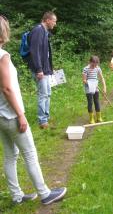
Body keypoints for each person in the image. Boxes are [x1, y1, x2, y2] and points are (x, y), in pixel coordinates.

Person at [0, 15, 66, 205]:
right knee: (29, 153)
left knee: (10, 156)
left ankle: (17, 196)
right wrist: (20, 114)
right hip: (10, 114)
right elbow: (6, 88)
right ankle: (45, 194)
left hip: (1, 115)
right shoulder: (2, 56)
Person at [27, 11, 57, 129]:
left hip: (46, 69)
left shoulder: (45, 32)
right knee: (43, 95)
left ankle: (46, 117)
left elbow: (46, 53)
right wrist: (39, 69)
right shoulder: (38, 30)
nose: (55, 24)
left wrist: (50, 68)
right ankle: (42, 121)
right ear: (47, 20)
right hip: (41, 70)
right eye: (54, 21)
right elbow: (35, 52)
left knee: (47, 94)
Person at [82, 55, 106, 124]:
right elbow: (84, 80)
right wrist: (91, 84)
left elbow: (101, 78)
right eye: (93, 64)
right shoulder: (85, 69)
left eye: (96, 64)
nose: (94, 66)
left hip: (96, 88)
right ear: (90, 62)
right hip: (88, 88)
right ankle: (91, 118)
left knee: (97, 102)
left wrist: (104, 87)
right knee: (90, 102)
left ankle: (99, 117)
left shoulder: (97, 68)